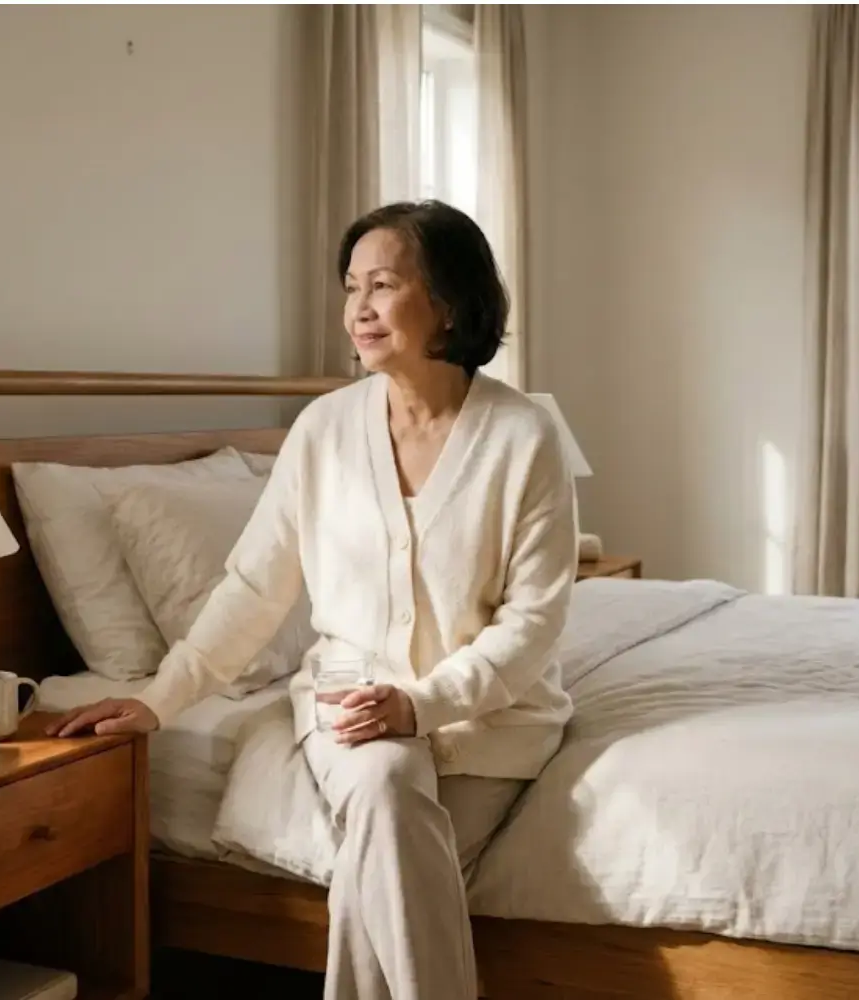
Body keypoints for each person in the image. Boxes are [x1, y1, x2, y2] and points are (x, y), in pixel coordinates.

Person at [49, 200, 578, 1000]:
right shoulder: (324, 431)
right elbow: (257, 586)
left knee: (382, 867)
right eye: (351, 286)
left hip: (491, 720)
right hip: (352, 703)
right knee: (388, 790)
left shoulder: (523, 435)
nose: (359, 309)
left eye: (384, 285)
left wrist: (424, 703)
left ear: (450, 303)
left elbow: (533, 622)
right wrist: (161, 698)